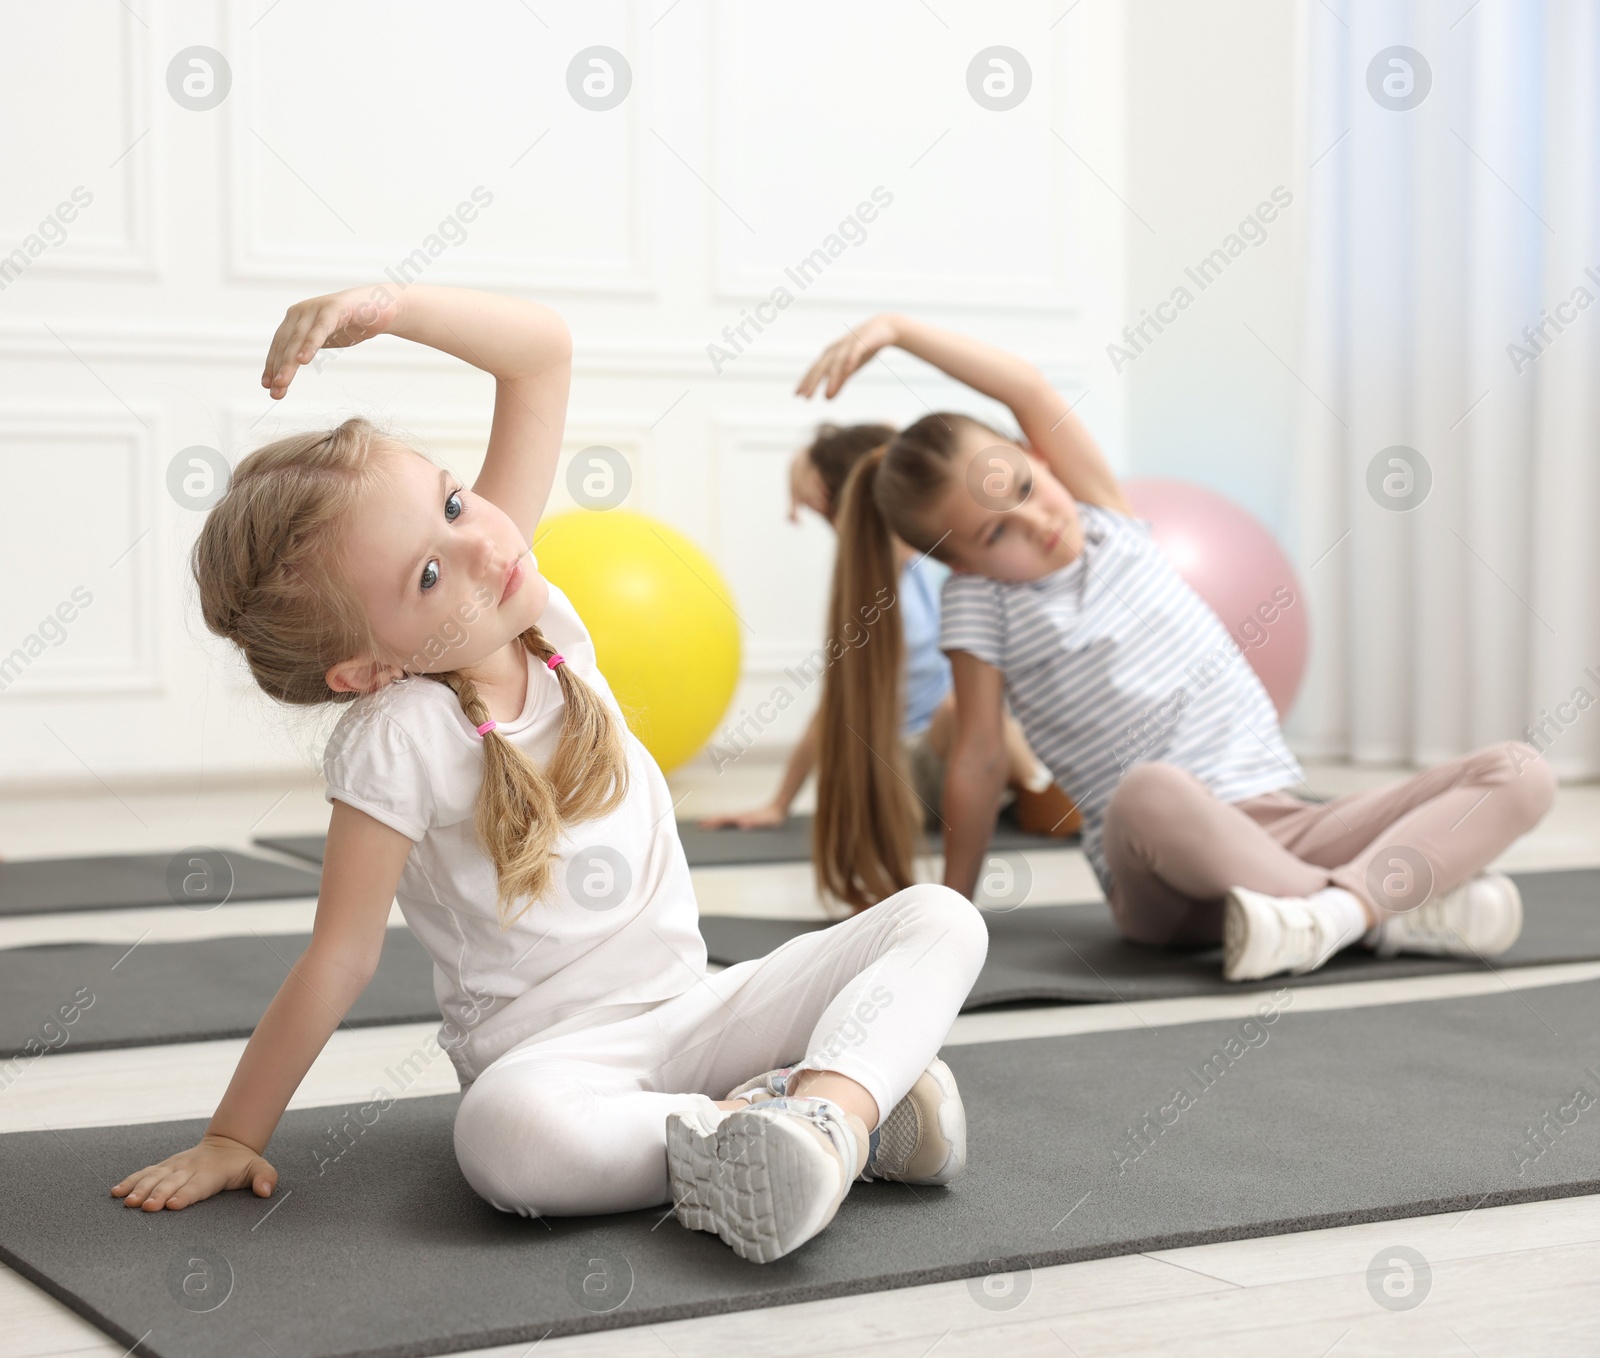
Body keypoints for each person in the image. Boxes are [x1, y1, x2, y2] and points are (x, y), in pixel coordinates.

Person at [108, 285, 986, 1265]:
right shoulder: (400, 730)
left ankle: (824, 1116)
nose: (480, 544)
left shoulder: (524, 601)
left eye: (453, 500)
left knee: (941, 916)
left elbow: (539, 354)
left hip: (700, 1010)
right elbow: (339, 959)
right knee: (504, 1144)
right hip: (553, 1065)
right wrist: (235, 1135)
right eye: (428, 575)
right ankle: (808, 1109)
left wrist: (388, 310)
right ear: (367, 667)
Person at [801, 311, 1556, 979]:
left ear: (1039, 459)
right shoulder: (983, 604)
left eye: (1026, 487)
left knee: (1520, 773)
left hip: (1282, 827)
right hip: (1159, 873)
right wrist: (953, 916)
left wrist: (900, 330)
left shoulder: (1110, 522)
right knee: (1148, 789)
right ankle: (1382, 908)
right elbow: (978, 757)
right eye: (997, 531)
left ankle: (1335, 919)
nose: (1035, 523)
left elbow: (1026, 387)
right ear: (961, 562)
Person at [701, 422, 1080, 842]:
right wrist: (778, 804)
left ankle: (1036, 789)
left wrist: (803, 464)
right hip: (906, 766)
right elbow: (831, 711)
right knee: (963, 708)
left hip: (952, 743)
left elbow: (912, 454)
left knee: (978, 707)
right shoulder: (871, 600)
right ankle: (1042, 798)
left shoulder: (926, 561)